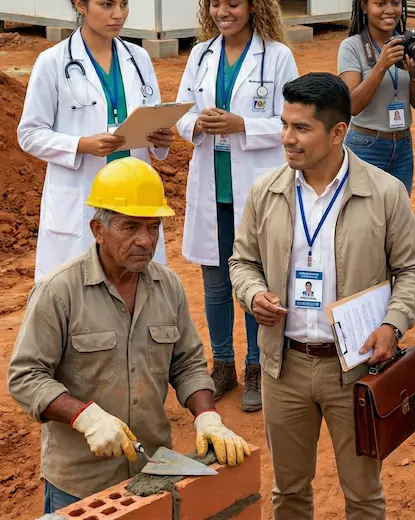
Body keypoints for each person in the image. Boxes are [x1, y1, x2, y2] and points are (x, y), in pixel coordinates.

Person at [229, 73, 415, 520]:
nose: (287, 139)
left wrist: (392, 324)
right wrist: (253, 293)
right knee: (289, 492)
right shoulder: (266, 191)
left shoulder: (384, 192)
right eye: (285, 125)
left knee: (362, 495)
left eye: (301, 128)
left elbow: (413, 268)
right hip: (284, 367)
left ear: (339, 132)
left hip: (354, 370)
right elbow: (241, 262)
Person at [7, 158, 251, 514]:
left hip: (151, 473)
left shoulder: (167, 286)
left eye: (153, 228)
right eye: (130, 227)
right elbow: (25, 377)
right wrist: (85, 417)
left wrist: (206, 416)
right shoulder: (59, 292)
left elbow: (187, 364)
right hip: (79, 485)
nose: (145, 241)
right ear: (98, 229)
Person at [176, 0, 299, 412]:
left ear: (252, 4)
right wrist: (199, 123)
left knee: (254, 280)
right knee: (214, 281)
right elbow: (182, 113)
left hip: (255, 184)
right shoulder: (201, 54)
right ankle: (222, 364)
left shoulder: (277, 55)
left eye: (233, 3)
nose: (223, 12)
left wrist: (241, 123)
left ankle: (256, 368)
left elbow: (291, 119)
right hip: (212, 184)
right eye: (215, 3)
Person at [17, 0, 174, 282]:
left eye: (124, 4)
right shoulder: (53, 62)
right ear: (80, 4)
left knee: (137, 290)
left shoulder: (138, 59)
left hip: (134, 195)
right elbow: (29, 134)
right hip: (83, 195)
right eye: (106, 4)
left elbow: (150, 120)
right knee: (77, 296)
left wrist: (160, 138)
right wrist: (80, 145)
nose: (118, 14)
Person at [338, 0, 415, 194]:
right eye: (380, 3)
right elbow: (352, 106)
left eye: (396, 3)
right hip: (366, 145)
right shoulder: (352, 47)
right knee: (364, 218)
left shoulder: (408, 43)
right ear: (364, 6)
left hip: (403, 145)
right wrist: (381, 66)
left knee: (398, 218)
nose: (389, 10)